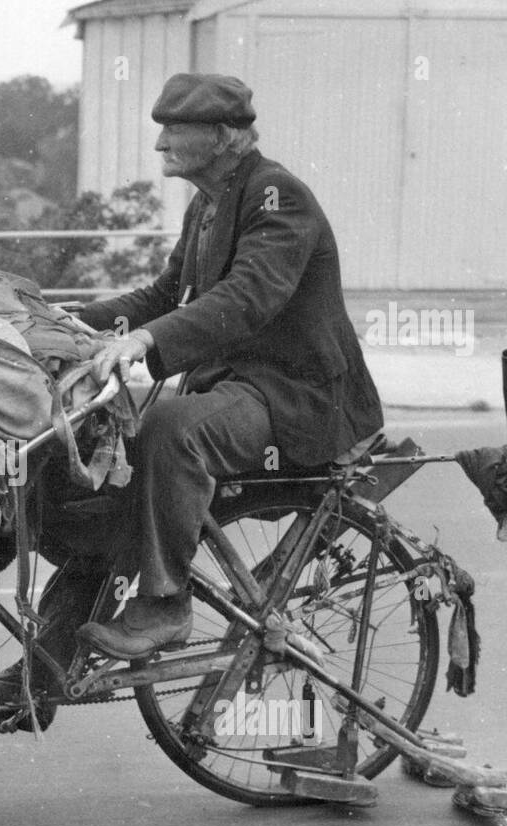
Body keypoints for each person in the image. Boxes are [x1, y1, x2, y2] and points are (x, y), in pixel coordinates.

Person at [72, 72, 384, 660]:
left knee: (170, 431)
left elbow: (247, 299)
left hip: (296, 396)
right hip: (243, 388)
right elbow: (164, 296)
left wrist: (144, 341)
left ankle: (165, 606)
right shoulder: (209, 205)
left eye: (173, 131)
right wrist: (67, 319)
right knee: (114, 439)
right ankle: (56, 647)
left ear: (220, 137)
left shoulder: (277, 196)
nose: (160, 144)